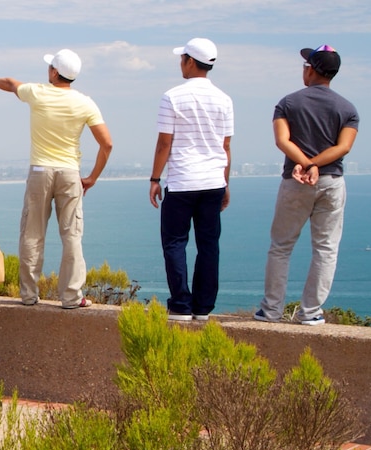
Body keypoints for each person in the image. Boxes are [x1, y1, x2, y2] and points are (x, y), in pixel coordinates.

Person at [0, 49, 112, 308]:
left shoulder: (38, 93)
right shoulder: (85, 103)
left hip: (39, 172)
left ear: (53, 71)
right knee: (72, 235)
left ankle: (28, 294)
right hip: (70, 173)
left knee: (32, 233)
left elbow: (11, 83)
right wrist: (92, 177)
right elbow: (107, 144)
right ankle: (72, 296)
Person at [255, 45, 359, 326]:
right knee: (325, 249)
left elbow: (282, 141)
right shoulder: (348, 108)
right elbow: (344, 146)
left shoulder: (287, 103)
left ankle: (272, 310)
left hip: (296, 181)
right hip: (331, 182)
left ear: (311, 69)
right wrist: (316, 164)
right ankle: (311, 312)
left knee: (281, 246)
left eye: (305, 65)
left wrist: (303, 163)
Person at [148, 38, 234, 322]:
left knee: (174, 243)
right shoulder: (224, 99)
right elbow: (225, 147)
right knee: (209, 245)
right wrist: (225, 183)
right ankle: (203, 307)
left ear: (190, 61)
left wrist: (155, 178)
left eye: (182, 58)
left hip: (183, 182)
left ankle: (181, 306)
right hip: (212, 182)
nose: (180, 62)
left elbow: (164, 143)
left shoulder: (172, 96)